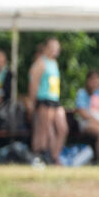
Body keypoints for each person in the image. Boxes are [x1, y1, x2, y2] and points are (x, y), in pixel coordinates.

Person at [28, 36, 67, 164]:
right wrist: (33, 102)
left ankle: (54, 155)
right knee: (43, 129)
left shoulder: (54, 63)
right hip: (44, 99)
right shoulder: (41, 63)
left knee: (62, 128)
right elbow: (34, 83)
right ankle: (39, 155)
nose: (54, 51)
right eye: (51, 47)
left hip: (54, 99)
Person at [74, 71, 99, 145]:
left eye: (97, 78)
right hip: (88, 122)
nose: (95, 81)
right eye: (92, 78)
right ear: (88, 80)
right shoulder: (82, 93)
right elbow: (82, 112)